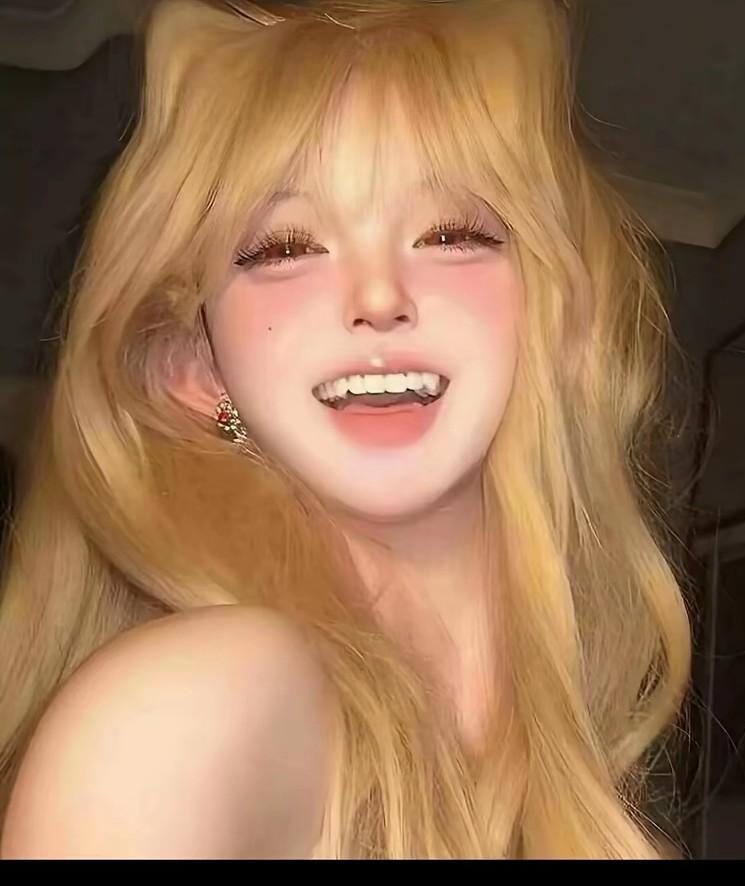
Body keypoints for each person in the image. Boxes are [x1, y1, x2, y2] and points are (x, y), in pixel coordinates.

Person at [0, 0, 691, 859]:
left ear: (555, 317)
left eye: (450, 232)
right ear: (195, 367)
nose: (377, 297)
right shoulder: (190, 709)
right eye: (284, 248)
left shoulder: (545, 755)